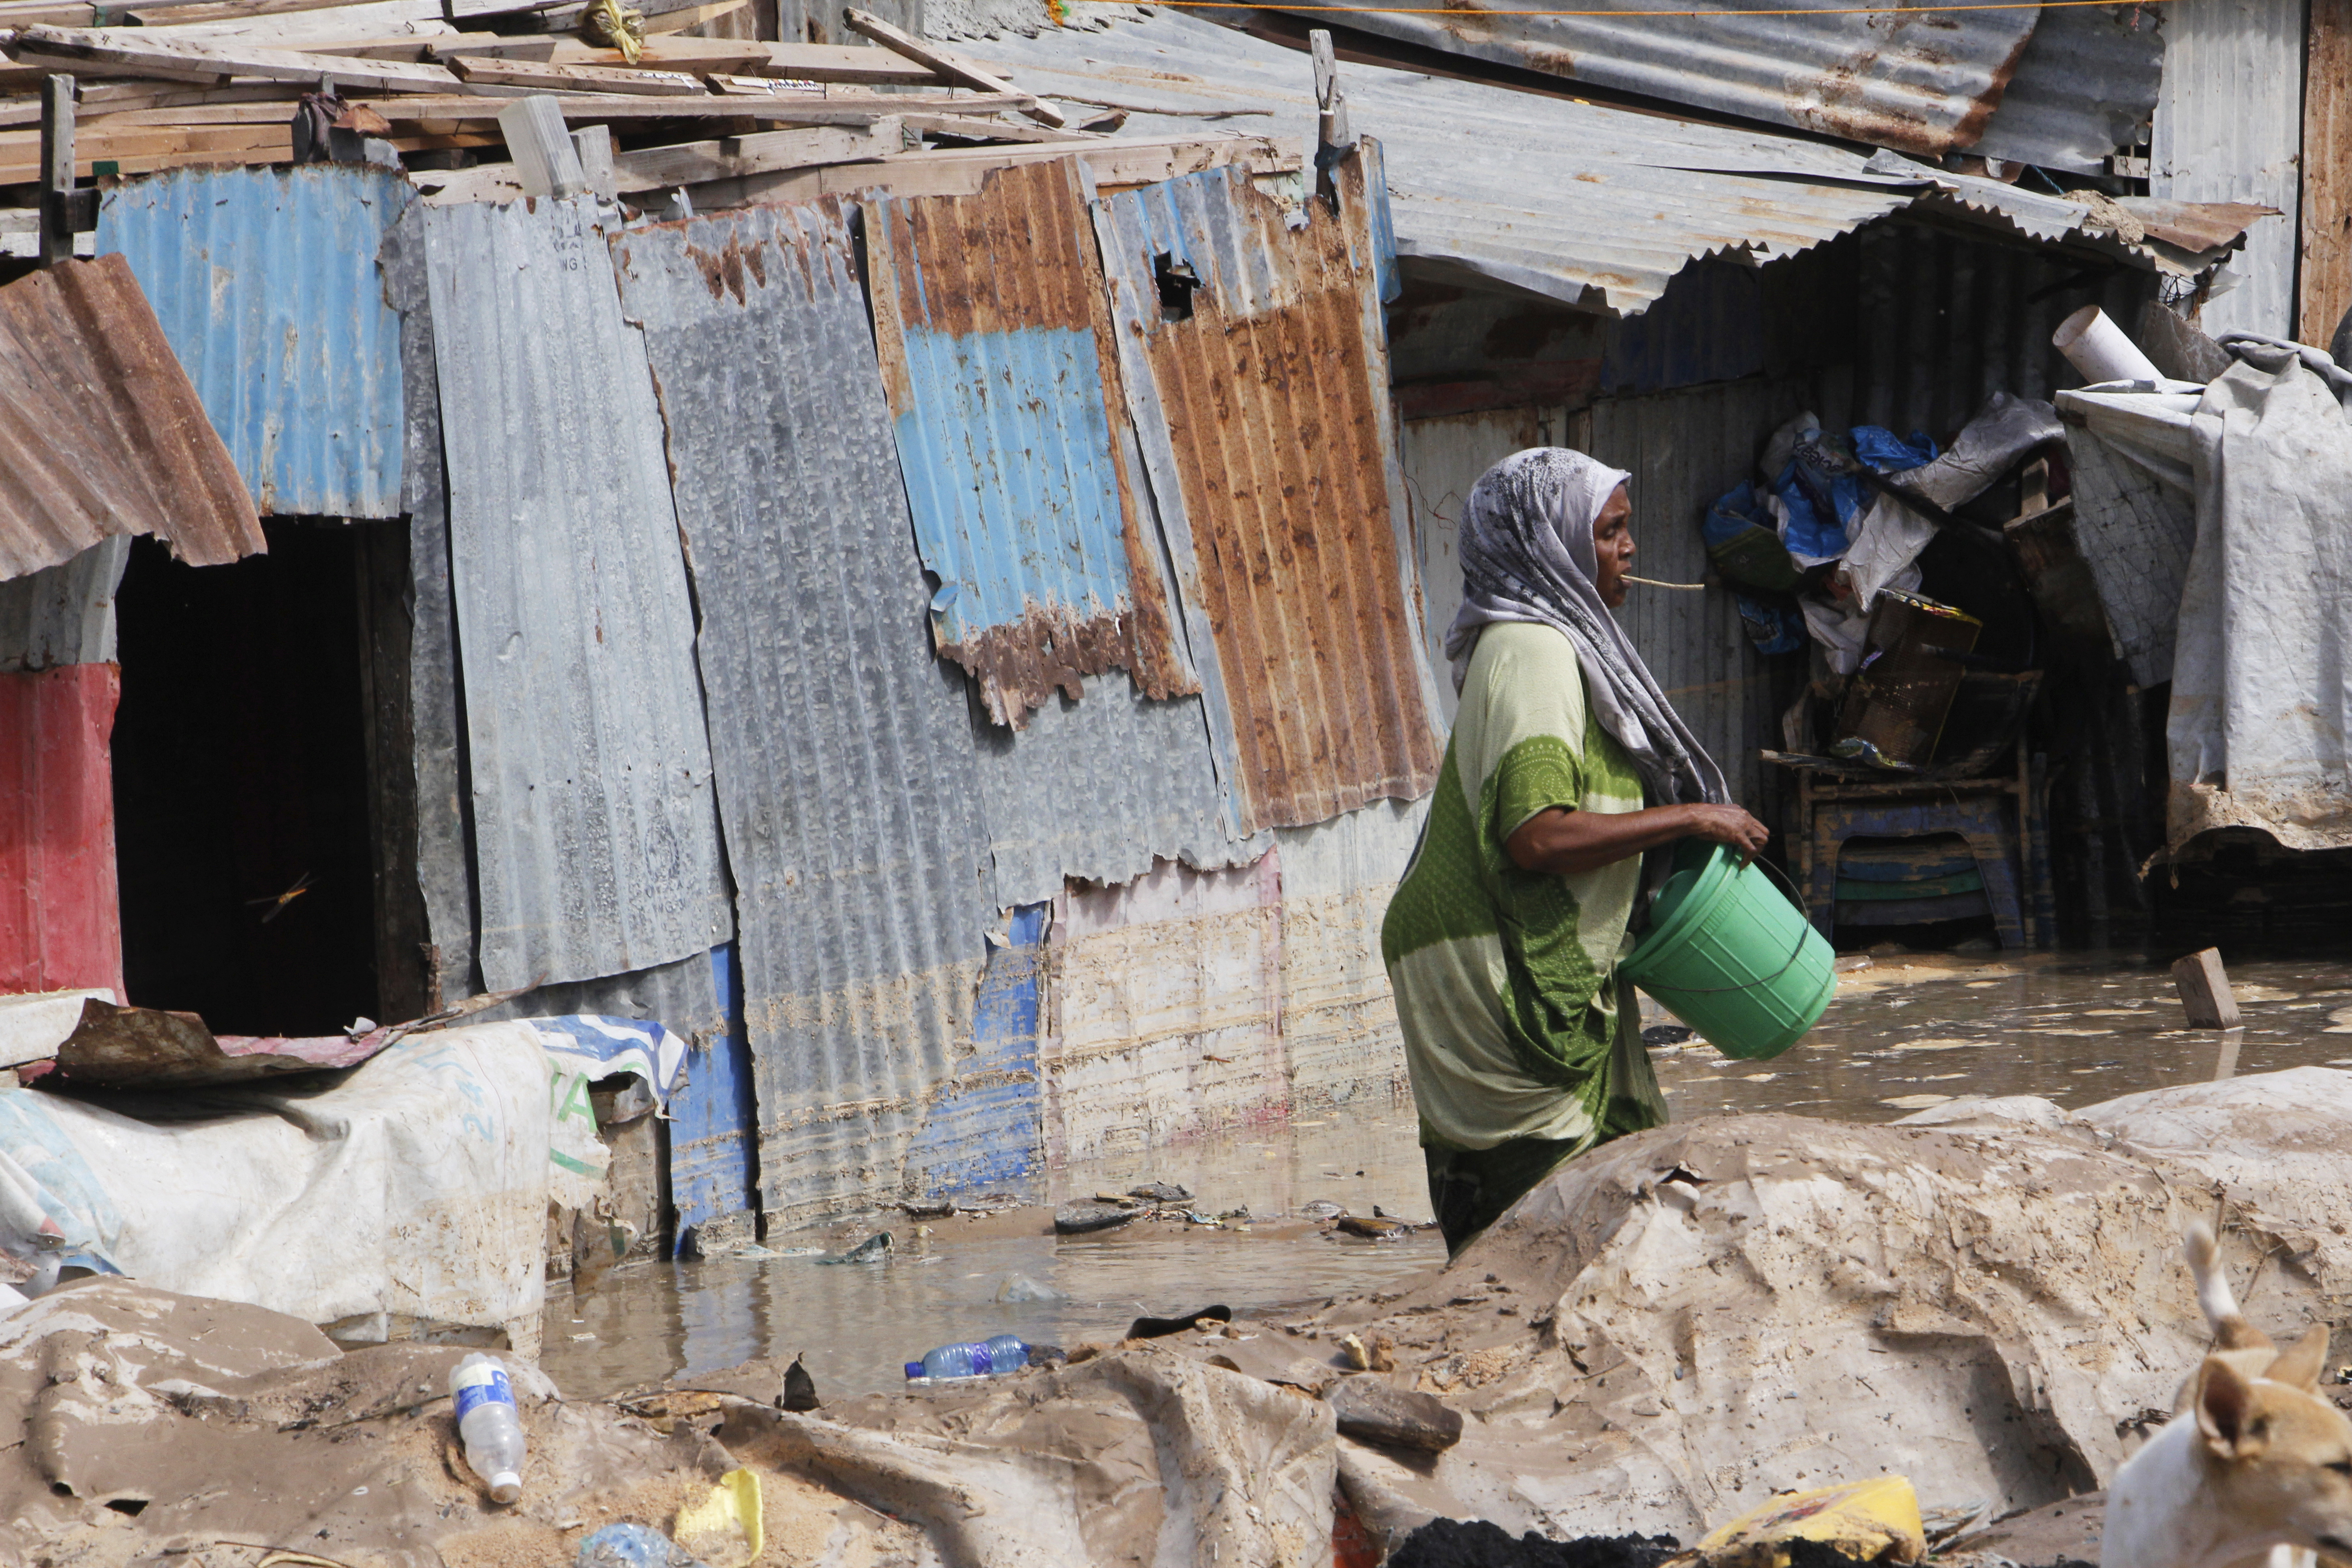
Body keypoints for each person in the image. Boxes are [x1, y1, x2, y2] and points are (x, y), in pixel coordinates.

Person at [1380, 449, 1771, 1255]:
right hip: (1488, 963)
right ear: (1553, 544)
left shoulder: (1550, 643)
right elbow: (1539, 836)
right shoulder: (1534, 653)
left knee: (1604, 1198)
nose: (1630, 548)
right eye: (1611, 531)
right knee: (1541, 1223)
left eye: (1628, 529)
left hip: (1514, 948)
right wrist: (1692, 817)